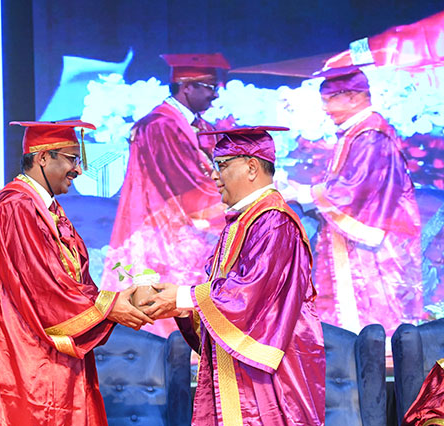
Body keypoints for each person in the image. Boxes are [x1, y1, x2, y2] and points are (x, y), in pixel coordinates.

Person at [0, 121, 153, 425]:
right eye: (72, 159)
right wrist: (109, 306)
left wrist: (116, 303)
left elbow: (70, 283)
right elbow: (44, 287)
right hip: (24, 358)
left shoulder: (47, 209)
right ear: (43, 157)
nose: (78, 170)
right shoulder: (14, 207)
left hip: (50, 353)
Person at [142, 126, 325, 425]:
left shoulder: (274, 222)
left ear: (252, 167)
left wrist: (183, 296)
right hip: (240, 370)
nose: (215, 177)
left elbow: (249, 293)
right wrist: (182, 306)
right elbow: (225, 292)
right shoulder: (245, 221)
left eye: (222, 165)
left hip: (268, 377)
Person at [283, 66, 422, 333]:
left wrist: (304, 194)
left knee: (374, 313)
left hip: (374, 241)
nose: (324, 109)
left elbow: (355, 190)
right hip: (365, 238)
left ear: (353, 97)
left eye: (328, 100)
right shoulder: (358, 132)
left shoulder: (371, 135)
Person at [101, 53, 231, 337]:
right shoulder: (160, 126)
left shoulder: (197, 125)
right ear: (186, 86)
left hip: (185, 225)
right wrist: (237, 201)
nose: (215, 95)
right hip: (163, 228)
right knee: (166, 317)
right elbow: (186, 183)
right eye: (209, 87)